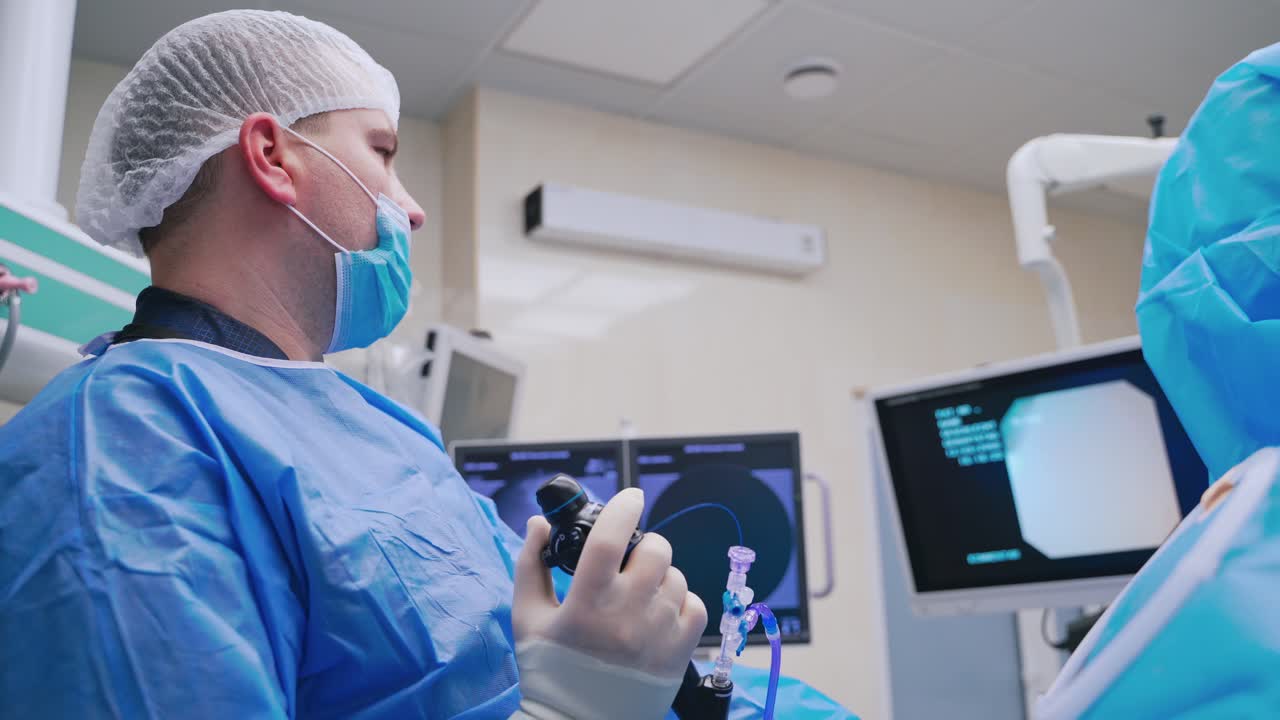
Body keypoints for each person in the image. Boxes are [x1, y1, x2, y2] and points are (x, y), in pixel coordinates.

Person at [0, 10, 711, 719]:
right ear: (273, 157)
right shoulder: (111, 453)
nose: (413, 210)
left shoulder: (383, 432)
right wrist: (570, 707)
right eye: (383, 152)